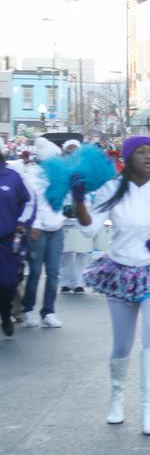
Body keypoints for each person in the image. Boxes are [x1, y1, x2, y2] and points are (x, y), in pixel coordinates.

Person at [75, 136, 150, 435]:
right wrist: (79, 200)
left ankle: (148, 411)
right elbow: (89, 228)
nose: (148, 157)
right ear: (127, 159)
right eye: (140, 152)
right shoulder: (112, 191)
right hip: (120, 270)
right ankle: (116, 398)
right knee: (122, 343)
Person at [20, 137, 66, 329]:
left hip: (57, 228)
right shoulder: (32, 175)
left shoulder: (60, 176)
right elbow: (31, 203)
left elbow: (63, 201)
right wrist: (36, 225)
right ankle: (28, 309)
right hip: (37, 230)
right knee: (36, 271)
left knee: (54, 272)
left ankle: (48, 311)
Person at [0, 151, 34, 337]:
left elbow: (28, 202)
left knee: (6, 284)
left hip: (7, 242)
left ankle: (6, 315)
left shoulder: (13, 177)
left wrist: (22, 223)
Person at [59, 139, 88, 294]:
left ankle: (79, 282)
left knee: (82, 249)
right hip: (65, 211)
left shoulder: (86, 169)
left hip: (83, 210)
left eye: (75, 149)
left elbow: (92, 189)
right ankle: (66, 281)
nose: (72, 152)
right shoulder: (60, 168)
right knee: (67, 249)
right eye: (69, 149)